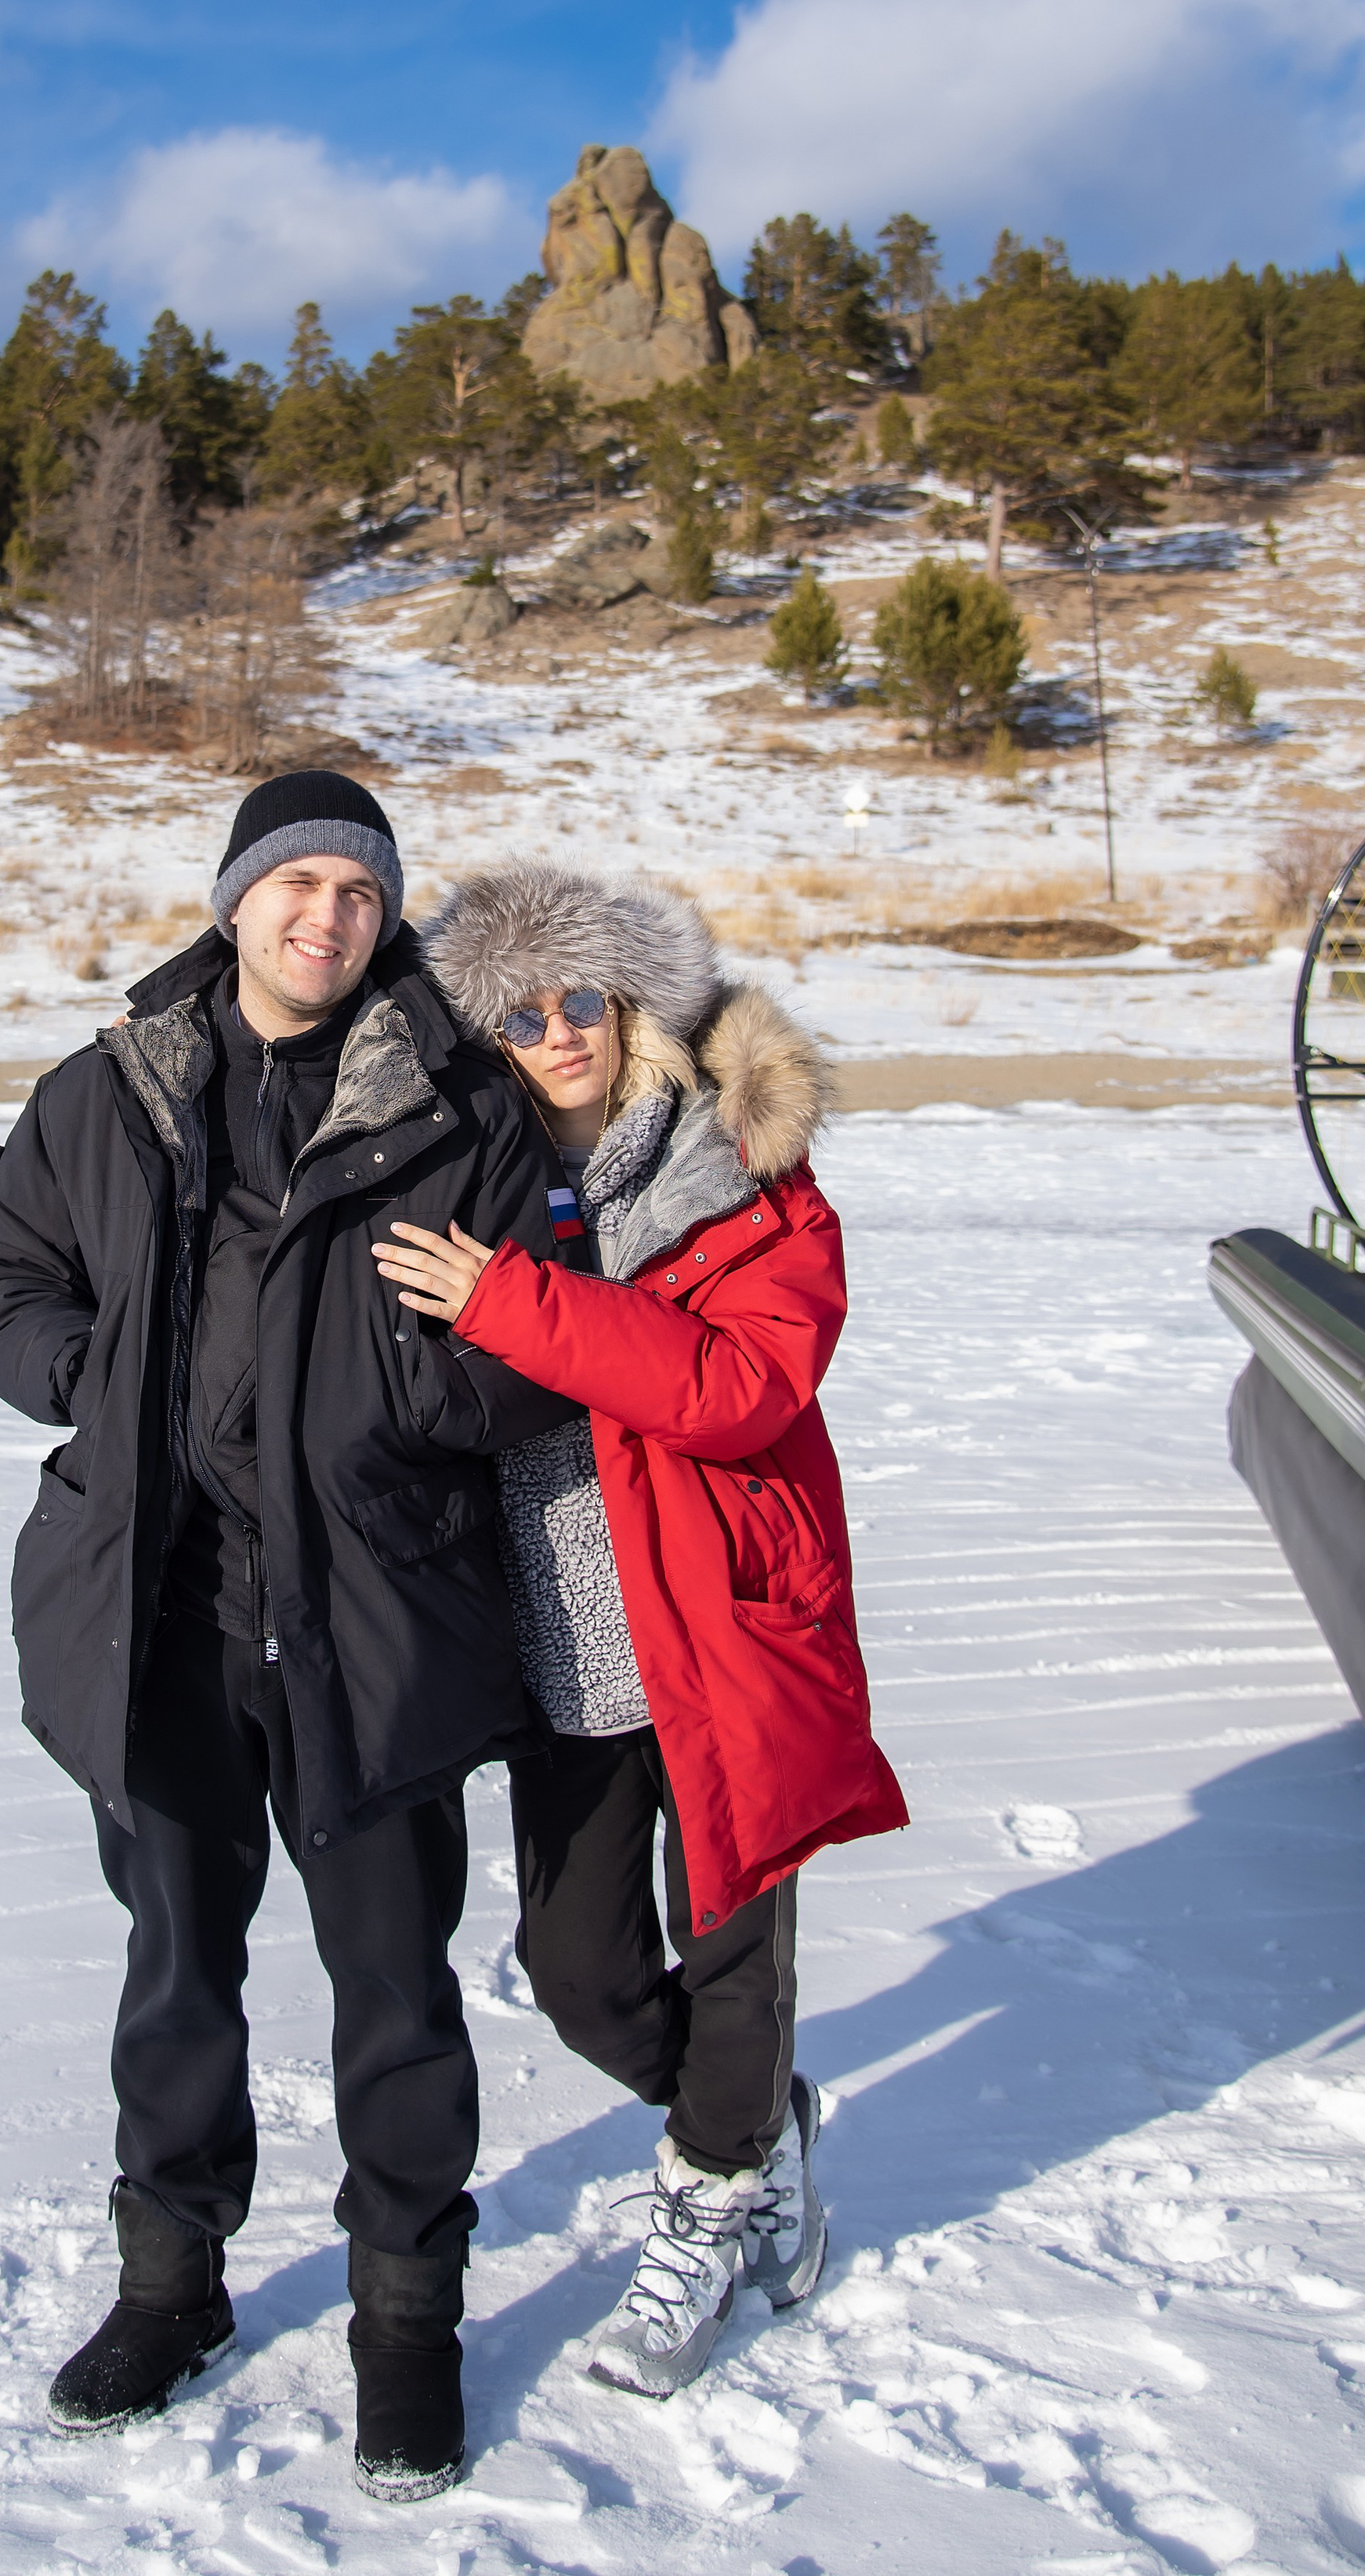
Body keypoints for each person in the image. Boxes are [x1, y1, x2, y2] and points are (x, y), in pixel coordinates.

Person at [0, 774, 577, 2501]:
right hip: (158, 1608)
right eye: (293, 881)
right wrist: (88, 1382)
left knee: (393, 1984)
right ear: (232, 902)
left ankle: (404, 2327)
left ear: (388, 917)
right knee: (174, 1972)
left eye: (358, 891)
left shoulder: (460, 1107)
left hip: (372, 1604)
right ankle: (172, 2286)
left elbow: (542, 1332)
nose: (325, 915)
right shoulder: (109, 1091)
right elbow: (1, 1278)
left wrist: (402, 1401)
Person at [371, 861, 907, 2400]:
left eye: (582, 1000)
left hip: (730, 1618)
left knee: (733, 1947)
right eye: (520, 1012)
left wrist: (514, 1308)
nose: (558, 1032)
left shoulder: (744, 1167)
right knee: (577, 1960)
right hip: (566, 1644)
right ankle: (747, 2125)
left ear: (634, 1008)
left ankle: (713, 2197)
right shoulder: (468, 1188)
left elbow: (740, 1387)